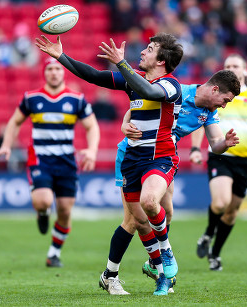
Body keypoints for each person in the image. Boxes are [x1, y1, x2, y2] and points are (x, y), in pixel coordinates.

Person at [35, 32, 184, 296]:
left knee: (151, 203)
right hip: (132, 160)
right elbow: (93, 75)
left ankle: (166, 256)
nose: (142, 52)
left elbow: (149, 91)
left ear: (162, 60)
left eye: (149, 49)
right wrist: (61, 56)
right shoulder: (131, 81)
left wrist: (121, 64)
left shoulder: (171, 85)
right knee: (138, 221)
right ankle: (151, 273)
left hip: (160, 158)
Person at [102, 70, 240, 295]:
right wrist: (124, 125)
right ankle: (115, 274)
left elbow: (215, 144)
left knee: (165, 210)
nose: (225, 105)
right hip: (133, 154)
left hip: (162, 156)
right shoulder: (178, 91)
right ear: (215, 89)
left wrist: (224, 143)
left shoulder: (209, 112)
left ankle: (155, 263)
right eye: (225, 100)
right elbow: (136, 108)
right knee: (134, 220)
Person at [0, 57, 100, 268]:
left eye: (57, 69)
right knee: (43, 200)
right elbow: (15, 121)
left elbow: (92, 126)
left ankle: (53, 254)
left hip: (67, 160)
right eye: (49, 69)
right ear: (44, 73)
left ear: (63, 73)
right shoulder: (31, 98)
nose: (54, 73)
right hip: (40, 158)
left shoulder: (76, 99)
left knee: (65, 211)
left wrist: (92, 150)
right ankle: (42, 212)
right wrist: (6, 144)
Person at [194, 53, 247, 271]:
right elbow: (200, 119)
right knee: (221, 202)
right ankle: (208, 234)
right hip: (221, 156)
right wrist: (195, 149)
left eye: (236, 65)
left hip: (246, 161)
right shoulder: (216, 95)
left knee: (231, 212)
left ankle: (215, 253)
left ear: (246, 70)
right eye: (228, 65)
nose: (232, 68)